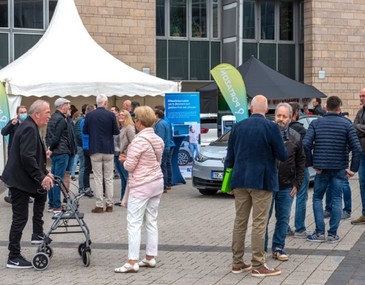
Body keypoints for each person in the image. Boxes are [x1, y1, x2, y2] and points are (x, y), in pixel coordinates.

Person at [224, 95, 287, 277]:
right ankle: (258, 264)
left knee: (240, 221)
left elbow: (230, 157)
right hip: (262, 181)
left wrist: (228, 183)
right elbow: (282, 154)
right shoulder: (271, 127)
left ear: (251, 109)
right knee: (259, 223)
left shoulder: (237, 127)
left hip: (239, 180)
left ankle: (237, 263)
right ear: (267, 110)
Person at [2, 99, 54, 269]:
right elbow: (27, 157)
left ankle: (37, 233)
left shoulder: (31, 126)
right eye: (47, 113)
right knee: (20, 218)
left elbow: (34, 155)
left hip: (23, 179)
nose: (49, 116)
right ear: (37, 114)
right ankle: (13, 256)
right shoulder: (29, 128)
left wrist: (46, 173)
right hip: (19, 181)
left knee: (41, 194)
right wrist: (41, 177)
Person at [303, 95, 361, 243]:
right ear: (339, 107)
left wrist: (311, 164)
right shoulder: (347, 124)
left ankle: (319, 232)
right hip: (339, 168)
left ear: (326, 107)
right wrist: (353, 169)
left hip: (321, 168)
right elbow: (356, 147)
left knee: (317, 198)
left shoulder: (316, 123)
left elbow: (306, 144)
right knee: (336, 199)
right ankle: (333, 234)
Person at [114, 106, 164, 273]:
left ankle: (132, 261)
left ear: (139, 122)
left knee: (134, 223)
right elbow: (157, 161)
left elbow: (129, 166)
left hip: (141, 184)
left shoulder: (138, 141)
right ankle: (150, 257)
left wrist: (123, 160)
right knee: (151, 220)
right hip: (157, 182)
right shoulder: (158, 140)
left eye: (135, 120)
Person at [265, 103, 305, 261]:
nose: (280, 119)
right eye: (278, 116)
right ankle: (261, 250)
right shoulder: (267, 133)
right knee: (264, 219)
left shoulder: (295, 137)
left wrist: (297, 183)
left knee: (283, 219)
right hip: (267, 185)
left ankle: (278, 248)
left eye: (284, 116)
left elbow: (301, 162)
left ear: (290, 118)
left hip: (286, 185)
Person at [83, 94, 120, 213]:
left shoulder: (89, 115)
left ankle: (99, 205)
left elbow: (85, 131)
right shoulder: (111, 115)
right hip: (108, 149)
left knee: (98, 178)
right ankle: (109, 204)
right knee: (109, 178)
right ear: (105, 102)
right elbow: (116, 131)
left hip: (95, 149)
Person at [45, 98, 77, 213]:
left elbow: (48, 136)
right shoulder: (61, 119)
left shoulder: (53, 118)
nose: (69, 107)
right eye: (67, 105)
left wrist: (50, 148)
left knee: (53, 178)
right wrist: (51, 149)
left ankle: (52, 203)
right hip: (61, 152)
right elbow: (57, 137)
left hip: (57, 152)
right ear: (61, 106)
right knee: (58, 179)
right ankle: (57, 206)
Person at [287, 102, 310, 238]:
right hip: (300, 168)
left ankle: (284, 227)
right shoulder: (301, 130)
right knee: (301, 196)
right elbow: (306, 148)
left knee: (287, 197)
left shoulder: (279, 129)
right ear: (296, 112)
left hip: (286, 169)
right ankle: (300, 228)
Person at [1, 105, 29, 204]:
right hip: (14, 153)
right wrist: (11, 124)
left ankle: (26, 194)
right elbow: (3, 132)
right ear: (17, 114)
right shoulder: (13, 122)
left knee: (26, 173)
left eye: (25, 112)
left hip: (25, 152)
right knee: (13, 173)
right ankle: (11, 195)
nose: (24, 114)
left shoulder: (28, 123)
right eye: (21, 112)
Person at [114, 110, 135, 206]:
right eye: (119, 115)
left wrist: (126, 153)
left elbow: (133, 142)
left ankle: (128, 199)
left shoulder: (129, 128)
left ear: (127, 117)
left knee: (126, 178)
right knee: (122, 178)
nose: (120, 117)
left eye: (123, 115)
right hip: (116, 154)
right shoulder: (119, 128)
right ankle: (123, 198)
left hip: (123, 155)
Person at [351, 87, 365, 225]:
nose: (361, 98)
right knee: (362, 183)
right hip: (362, 152)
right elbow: (353, 127)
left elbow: (357, 128)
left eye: (363, 96)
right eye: (360, 95)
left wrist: (359, 128)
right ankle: (364, 213)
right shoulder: (360, 112)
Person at [155, 105, 174, 190]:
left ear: (157, 114)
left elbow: (160, 138)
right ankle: (167, 183)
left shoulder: (160, 124)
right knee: (166, 165)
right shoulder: (165, 122)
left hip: (164, 147)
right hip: (168, 146)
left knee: (163, 166)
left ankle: (164, 184)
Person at [80, 104, 95, 197]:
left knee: (86, 169)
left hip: (85, 147)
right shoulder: (91, 121)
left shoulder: (82, 121)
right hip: (92, 147)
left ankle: (86, 187)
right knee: (97, 170)